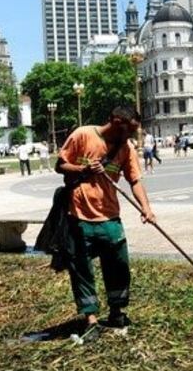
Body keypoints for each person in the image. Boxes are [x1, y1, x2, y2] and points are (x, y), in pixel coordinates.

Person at [56, 104, 155, 340]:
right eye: (129, 130)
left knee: (119, 265)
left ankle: (117, 312)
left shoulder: (126, 148)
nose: (131, 136)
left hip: (110, 216)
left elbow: (135, 180)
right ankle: (90, 319)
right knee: (81, 270)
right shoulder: (83, 135)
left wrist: (146, 207)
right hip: (79, 216)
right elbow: (60, 165)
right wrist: (83, 167)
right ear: (116, 122)